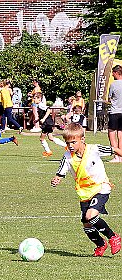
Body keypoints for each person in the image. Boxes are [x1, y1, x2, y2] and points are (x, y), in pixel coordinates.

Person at [51, 123, 122, 257]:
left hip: (101, 187)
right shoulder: (67, 156)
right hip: (84, 193)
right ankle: (100, 244)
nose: (70, 145)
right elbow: (60, 173)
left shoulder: (94, 149)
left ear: (82, 139)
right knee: (86, 223)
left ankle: (113, 237)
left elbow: (114, 150)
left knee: (91, 216)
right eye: (68, 143)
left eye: (73, 142)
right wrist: (56, 179)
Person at [32, 93, 66, 157]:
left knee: (42, 139)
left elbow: (48, 110)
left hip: (47, 123)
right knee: (50, 138)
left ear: (39, 99)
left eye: (35, 98)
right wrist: (38, 120)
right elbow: (43, 114)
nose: (33, 100)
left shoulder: (40, 105)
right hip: (49, 122)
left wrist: (44, 119)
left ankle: (48, 151)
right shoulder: (39, 105)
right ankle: (65, 146)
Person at [107, 65, 122, 162]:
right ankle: (121, 156)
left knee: (111, 133)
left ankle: (116, 156)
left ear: (116, 73)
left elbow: (109, 98)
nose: (112, 74)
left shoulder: (113, 84)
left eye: (113, 73)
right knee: (120, 134)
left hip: (114, 112)